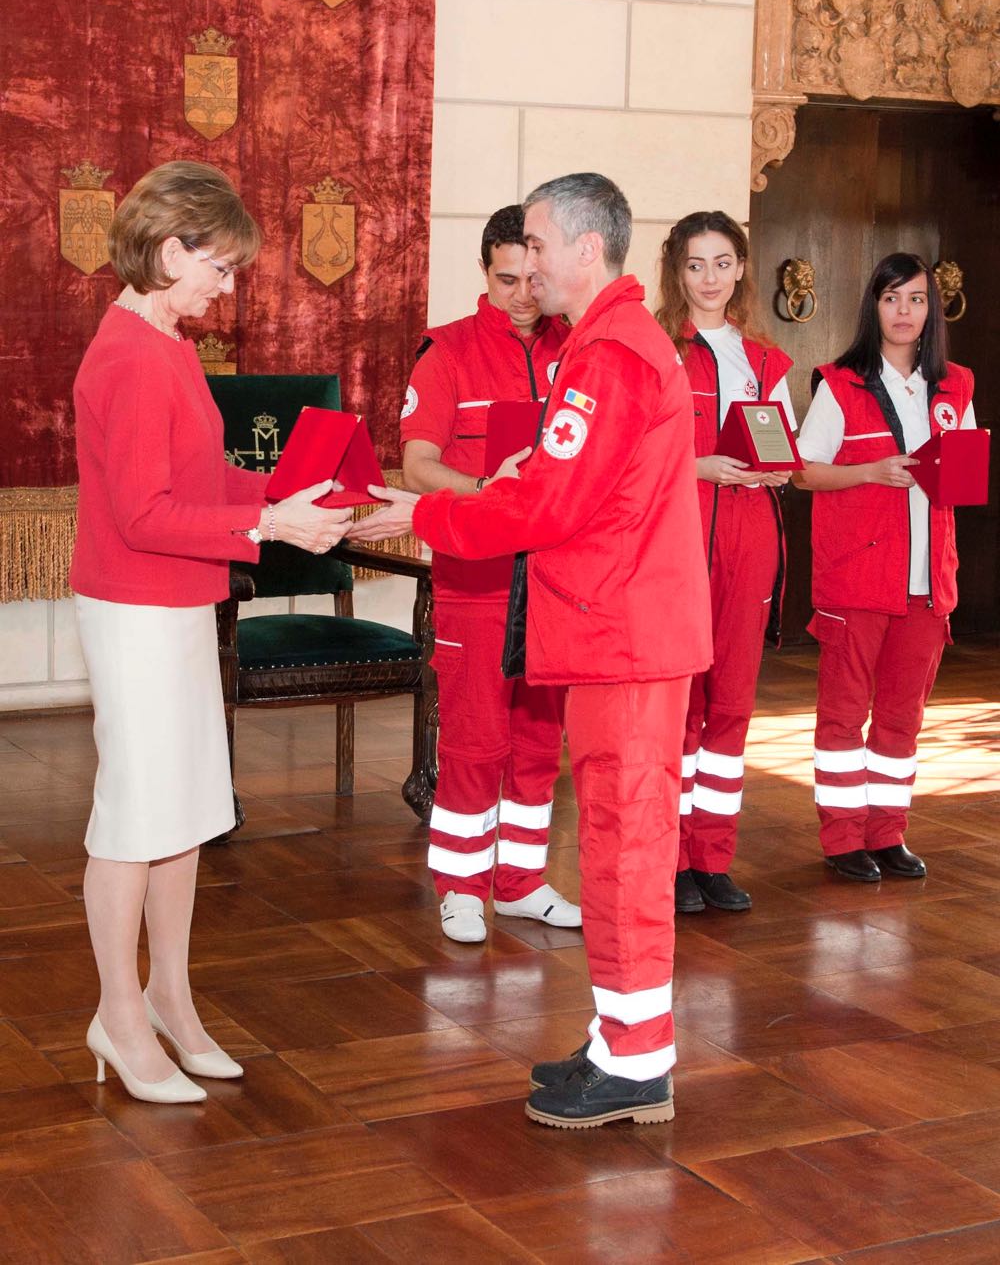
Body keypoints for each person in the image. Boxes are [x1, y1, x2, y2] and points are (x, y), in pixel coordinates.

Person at [352, 173, 712, 1129]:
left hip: (622, 636)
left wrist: (423, 511)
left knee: (628, 847)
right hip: (614, 628)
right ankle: (619, 1037)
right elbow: (562, 482)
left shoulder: (610, 356)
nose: (531, 262)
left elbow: (549, 502)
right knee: (610, 840)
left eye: (542, 244)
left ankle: (637, 1063)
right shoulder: (607, 346)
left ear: (588, 248)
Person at [71, 160, 350, 1103]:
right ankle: (116, 1016)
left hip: (178, 601)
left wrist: (282, 493)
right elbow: (146, 514)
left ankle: (171, 1000)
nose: (227, 289)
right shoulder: (127, 356)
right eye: (220, 269)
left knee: (183, 813)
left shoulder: (171, 347)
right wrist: (269, 525)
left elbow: (201, 480)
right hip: (136, 606)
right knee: (132, 819)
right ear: (168, 248)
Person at [399, 204, 579, 942]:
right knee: (474, 739)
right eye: (507, 280)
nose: (522, 295)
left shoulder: (581, 349)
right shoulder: (447, 352)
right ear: (484, 271)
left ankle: (521, 881)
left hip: (560, 578)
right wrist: (490, 491)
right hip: (477, 576)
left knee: (540, 740)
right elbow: (416, 466)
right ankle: (461, 885)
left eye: (534, 279)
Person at [794, 253, 976, 882]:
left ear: (932, 310)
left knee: (903, 716)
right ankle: (844, 838)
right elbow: (803, 471)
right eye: (892, 298)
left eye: (917, 299)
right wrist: (870, 472)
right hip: (859, 578)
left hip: (930, 582)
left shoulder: (956, 386)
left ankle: (887, 832)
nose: (905, 312)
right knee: (844, 714)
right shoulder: (839, 383)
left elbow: (966, 478)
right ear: (873, 307)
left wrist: (954, 472)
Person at [656, 212, 795, 915]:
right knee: (680, 708)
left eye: (721, 263)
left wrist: (777, 469)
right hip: (680, 534)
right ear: (675, 272)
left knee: (733, 705)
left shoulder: (765, 358)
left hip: (751, 537)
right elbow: (627, 456)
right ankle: (672, 859)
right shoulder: (655, 350)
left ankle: (713, 857)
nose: (708, 278)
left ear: (741, 267)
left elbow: (784, 446)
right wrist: (697, 464)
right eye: (694, 265)